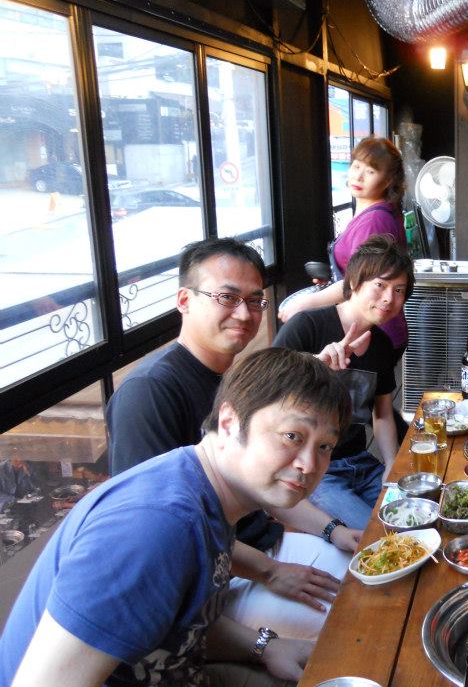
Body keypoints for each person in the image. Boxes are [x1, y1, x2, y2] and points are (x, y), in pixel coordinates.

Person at [0, 348, 352, 687]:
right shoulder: (155, 529)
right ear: (229, 422)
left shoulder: (209, 496)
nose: (309, 464)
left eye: (324, 446)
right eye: (292, 436)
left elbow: (178, 626)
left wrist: (265, 646)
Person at [106, 236, 361, 640]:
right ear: (185, 300)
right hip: (209, 581)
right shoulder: (149, 393)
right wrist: (271, 572)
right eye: (227, 297)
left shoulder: (235, 379)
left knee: (373, 580)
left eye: (255, 300)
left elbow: (273, 482)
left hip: (264, 548)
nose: (244, 313)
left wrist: (333, 529)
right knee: (352, 626)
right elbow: (159, 537)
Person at [273, 234, 413, 529]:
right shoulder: (308, 325)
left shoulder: (381, 344)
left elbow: (382, 413)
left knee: (412, 520)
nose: (389, 298)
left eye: (399, 290)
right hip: (315, 470)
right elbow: (265, 388)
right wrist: (315, 363)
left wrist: (391, 463)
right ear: (354, 283)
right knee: (375, 535)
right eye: (380, 285)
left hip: (360, 461)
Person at [278, 136, 409, 365]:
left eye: (370, 171)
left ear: (388, 180)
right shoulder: (373, 212)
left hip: (372, 327)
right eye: (356, 166)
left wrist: (305, 304)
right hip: (368, 324)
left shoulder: (374, 222)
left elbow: (361, 278)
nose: (358, 176)